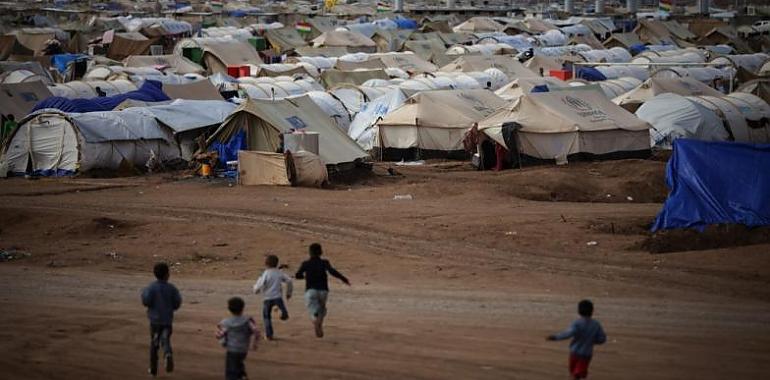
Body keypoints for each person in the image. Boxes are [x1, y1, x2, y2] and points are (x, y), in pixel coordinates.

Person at [295, 243, 350, 338]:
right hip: (323, 291)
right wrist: (343, 279)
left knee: (312, 309)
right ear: (321, 252)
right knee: (322, 309)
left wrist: (304, 277)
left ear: (309, 253)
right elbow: (332, 271)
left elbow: (297, 275)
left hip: (311, 291)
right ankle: (319, 323)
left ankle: (315, 320)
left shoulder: (306, 264)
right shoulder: (325, 262)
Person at [547, 300, 607, 380]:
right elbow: (602, 339)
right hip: (586, 353)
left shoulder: (577, 323)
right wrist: (592, 340)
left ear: (579, 311)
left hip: (575, 351)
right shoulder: (596, 324)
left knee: (573, 372)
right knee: (579, 372)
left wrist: (556, 337)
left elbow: (568, 334)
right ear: (592, 311)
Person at [141, 263, 182, 377]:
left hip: (154, 321)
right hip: (167, 320)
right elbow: (177, 303)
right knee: (166, 339)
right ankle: (168, 353)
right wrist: (170, 308)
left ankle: (153, 369)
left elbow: (146, 301)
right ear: (167, 274)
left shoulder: (151, 288)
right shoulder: (172, 289)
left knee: (154, 344)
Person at [217, 297, 259, 380]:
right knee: (239, 363)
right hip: (243, 349)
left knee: (231, 371)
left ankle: (240, 376)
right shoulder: (247, 320)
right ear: (242, 308)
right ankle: (242, 375)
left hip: (232, 349)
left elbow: (220, 334)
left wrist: (220, 338)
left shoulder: (227, 322)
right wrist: (255, 343)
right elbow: (256, 331)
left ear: (229, 309)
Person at [252, 254, 293, 340]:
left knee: (266, 317)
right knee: (282, 311)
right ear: (277, 263)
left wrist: (255, 290)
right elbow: (289, 281)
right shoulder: (279, 273)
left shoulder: (266, 273)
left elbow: (261, 284)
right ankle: (283, 313)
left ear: (266, 264)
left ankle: (269, 334)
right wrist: (288, 293)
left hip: (267, 298)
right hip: (278, 297)